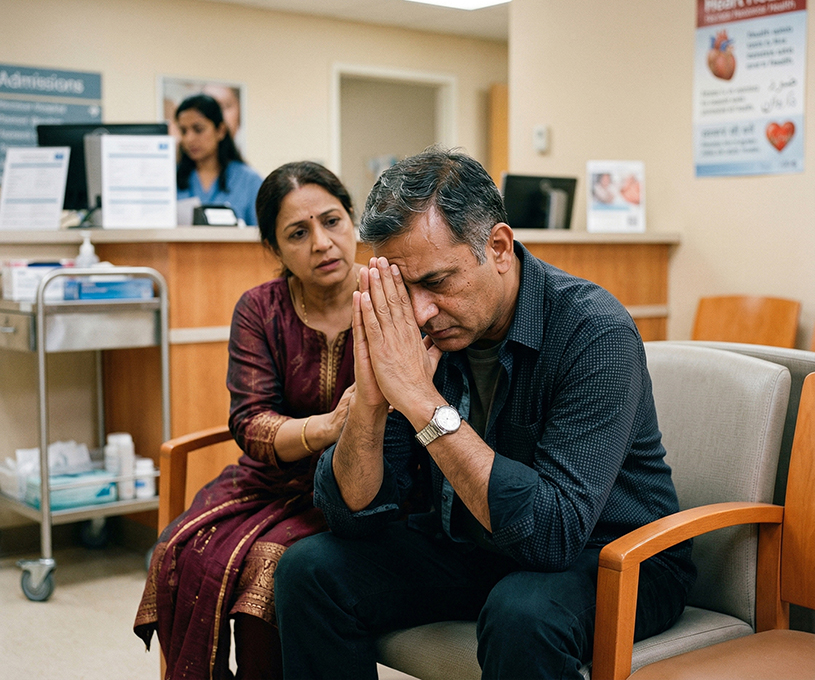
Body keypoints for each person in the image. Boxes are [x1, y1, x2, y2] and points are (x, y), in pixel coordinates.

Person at [274, 148, 697, 679]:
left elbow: (553, 535)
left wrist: (422, 401)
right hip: (479, 548)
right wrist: (374, 404)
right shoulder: (424, 334)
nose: (421, 311)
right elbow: (353, 514)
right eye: (404, 289)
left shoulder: (594, 331)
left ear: (498, 246)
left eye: (437, 282)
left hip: (615, 556)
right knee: (309, 570)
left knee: (523, 615)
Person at [134, 161, 361, 680]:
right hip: (268, 478)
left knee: (266, 569)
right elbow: (251, 421)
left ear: (352, 219)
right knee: (179, 550)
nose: (322, 244)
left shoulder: (388, 297)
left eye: (332, 221)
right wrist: (326, 428)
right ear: (274, 248)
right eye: (297, 233)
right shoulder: (261, 308)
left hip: (357, 487)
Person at [175, 93, 262, 226]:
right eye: (183, 131)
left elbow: (262, 233)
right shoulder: (170, 179)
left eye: (198, 130)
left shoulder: (249, 181)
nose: (189, 139)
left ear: (220, 131)